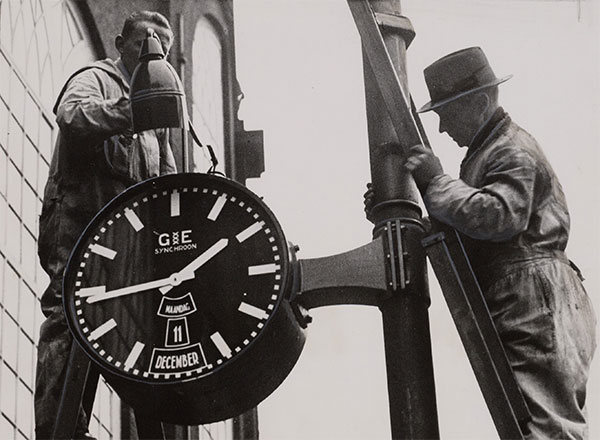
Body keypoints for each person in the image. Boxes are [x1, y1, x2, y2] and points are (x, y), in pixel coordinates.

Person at [369, 46, 596, 438]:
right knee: (540, 424)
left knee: (545, 427)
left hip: (534, 295)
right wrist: (394, 211)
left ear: (479, 103)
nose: (442, 128)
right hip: (533, 295)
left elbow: (499, 216)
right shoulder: (489, 153)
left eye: (446, 113)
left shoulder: (511, 149)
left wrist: (437, 182)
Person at [35, 11, 177, 439]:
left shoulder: (157, 122)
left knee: (124, 328)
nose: (154, 53)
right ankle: (60, 428)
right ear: (120, 45)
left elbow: (167, 184)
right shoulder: (96, 78)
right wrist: (130, 110)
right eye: (144, 42)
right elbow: (72, 115)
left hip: (123, 242)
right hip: (78, 223)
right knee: (70, 314)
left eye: (163, 47)